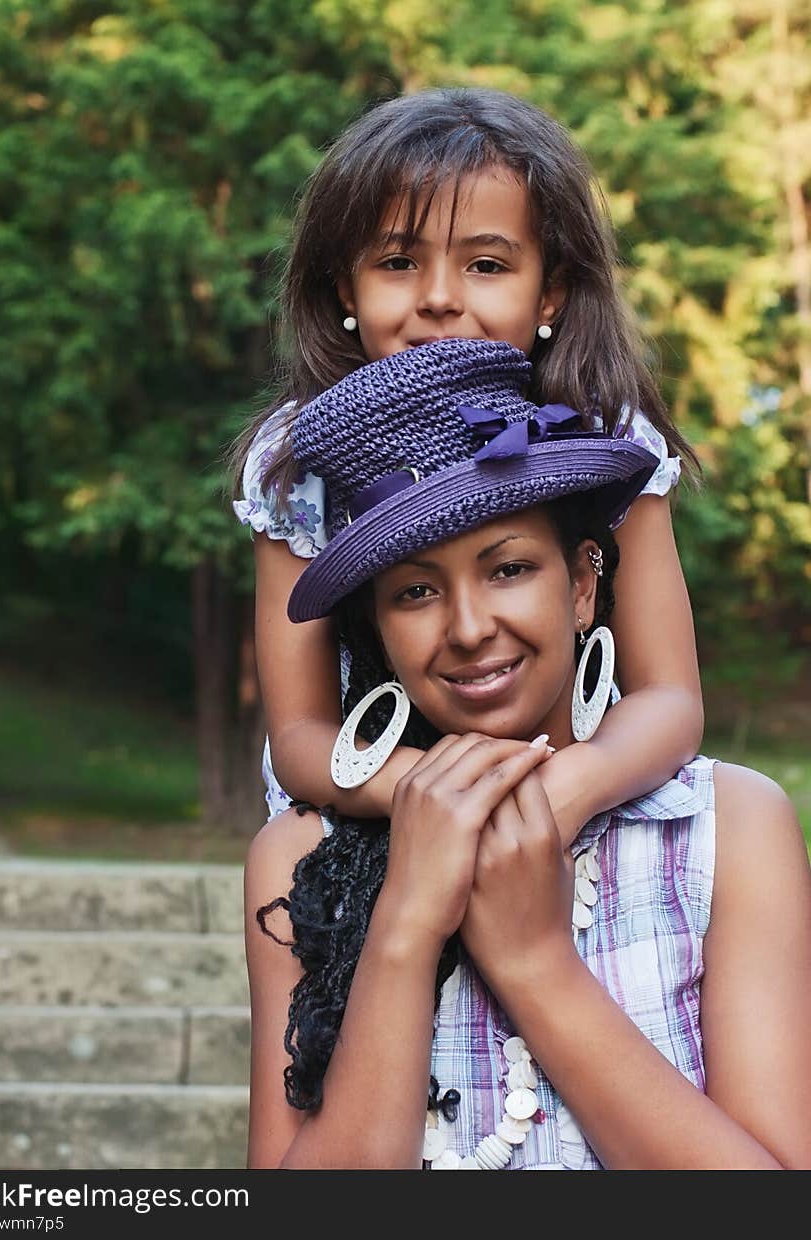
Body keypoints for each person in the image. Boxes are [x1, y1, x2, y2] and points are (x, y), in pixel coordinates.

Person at [243, 340, 811, 1170]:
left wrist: (534, 961)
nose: (469, 628)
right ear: (380, 628)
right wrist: (405, 922)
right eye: (416, 591)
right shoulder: (300, 859)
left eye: (507, 568)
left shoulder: (725, 831)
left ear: (583, 585)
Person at [232, 87, 704, 850]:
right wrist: (440, 799)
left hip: (590, 795)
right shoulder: (298, 463)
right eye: (397, 262)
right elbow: (301, 733)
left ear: (549, 291)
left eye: (486, 264)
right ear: (346, 286)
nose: (441, 299)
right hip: (384, 809)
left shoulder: (607, 425)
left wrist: (561, 791)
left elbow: (671, 698)